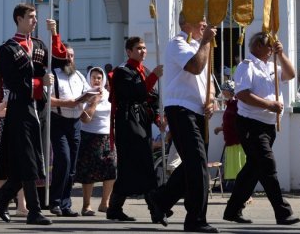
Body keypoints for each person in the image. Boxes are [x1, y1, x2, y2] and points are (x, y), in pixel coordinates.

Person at [222, 32, 300, 225]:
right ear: (257, 46)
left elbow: (290, 74)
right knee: (267, 165)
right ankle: (282, 212)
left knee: (253, 169)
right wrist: (269, 105)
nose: (271, 49)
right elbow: (242, 94)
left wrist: (281, 55)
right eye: (269, 46)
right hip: (251, 124)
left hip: (268, 125)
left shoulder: (271, 66)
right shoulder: (246, 66)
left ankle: (233, 210)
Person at [0, 3, 54, 226]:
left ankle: (3, 196)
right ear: (19, 19)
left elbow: (59, 61)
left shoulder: (39, 45)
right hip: (20, 109)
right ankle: (33, 211)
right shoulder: (8, 49)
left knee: (30, 161)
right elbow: (13, 82)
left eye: (35, 17)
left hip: (39, 109)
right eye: (31, 17)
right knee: (28, 160)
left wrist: (55, 35)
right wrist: (38, 83)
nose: (35, 21)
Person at [152, 13, 218, 233]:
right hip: (181, 109)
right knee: (197, 164)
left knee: (192, 165)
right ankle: (195, 219)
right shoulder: (178, 43)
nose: (205, 23)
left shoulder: (200, 46)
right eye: (200, 19)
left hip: (198, 112)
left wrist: (212, 99)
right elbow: (195, 67)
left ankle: (159, 200)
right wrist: (207, 41)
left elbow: (208, 80)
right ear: (185, 23)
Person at [107, 36, 165, 225]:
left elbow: (152, 98)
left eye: (144, 48)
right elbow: (136, 92)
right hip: (127, 120)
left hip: (142, 120)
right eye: (138, 48)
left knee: (127, 169)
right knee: (145, 164)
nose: (143, 51)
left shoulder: (144, 71)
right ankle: (156, 210)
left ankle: (114, 208)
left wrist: (158, 118)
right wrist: (154, 76)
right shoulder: (122, 71)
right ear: (129, 51)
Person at [48, 36, 92, 217]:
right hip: (58, 121)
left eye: (72, 56)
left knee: (72, 165)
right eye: (66, 55)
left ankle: (65, 203)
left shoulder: (79, 75)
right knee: (63, 160)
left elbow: (89, 94)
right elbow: (47, 100)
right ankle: (55, 201)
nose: (70, 58)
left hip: (75, 124)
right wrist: (68, 103)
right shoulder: (53, 75)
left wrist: (88, 102)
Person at [76, 66, 116, 216]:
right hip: (90, 136)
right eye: (93, 77)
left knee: (111, 169)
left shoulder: (108, 94)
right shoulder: (85, 95)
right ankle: (86, 205)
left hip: (107, 136)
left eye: (99, 77)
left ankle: (105, 203)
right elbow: (84, 119)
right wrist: (94, 102)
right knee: (88, 173)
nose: (96, 80)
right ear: (89, 79)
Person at [213, 80, 244, 191]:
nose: (222, 92)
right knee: (234, 169)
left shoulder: (236, 103)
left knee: (239, 168)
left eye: (224, 90)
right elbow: (228, 120)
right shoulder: (230, 103)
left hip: (236, 141)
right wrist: (222, 127)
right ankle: (240, 193)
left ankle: (245, 194)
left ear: (229, 91)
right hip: (231, 140)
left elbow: (234, 122)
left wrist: (221, 128)